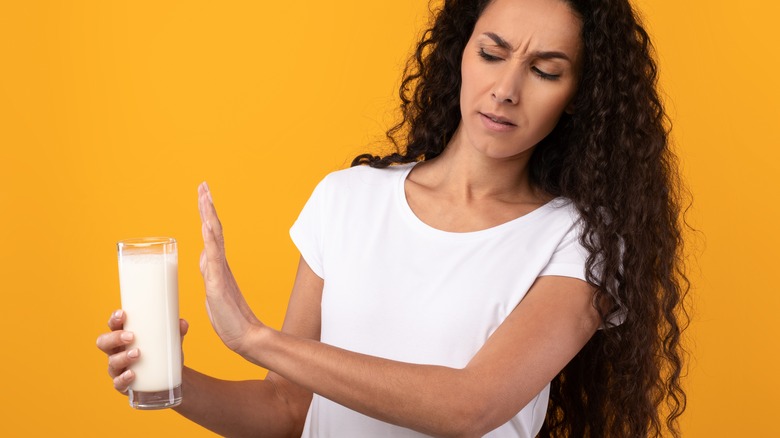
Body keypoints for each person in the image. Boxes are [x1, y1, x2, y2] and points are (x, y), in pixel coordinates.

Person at [96, 0, 689, 436]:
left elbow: (470, 407)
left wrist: (255, 339)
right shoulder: (348, 199)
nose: (506, 88)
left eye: (545, 70)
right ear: (461, 52)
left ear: (579, 95)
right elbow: (286, 412)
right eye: (491, 53)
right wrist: (165, 381)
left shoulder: (580, 240)